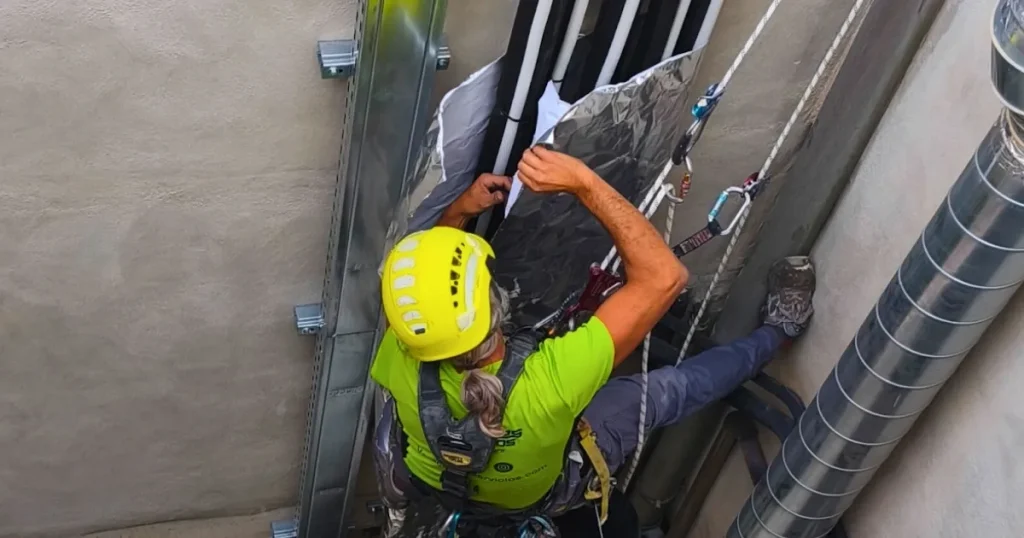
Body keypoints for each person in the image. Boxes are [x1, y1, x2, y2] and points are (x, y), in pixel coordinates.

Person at [370, 146, 815, 535]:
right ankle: (780, 331)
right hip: (556, 484)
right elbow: (664, 277)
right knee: (667, 390)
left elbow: (425, 300)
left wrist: (461, 211)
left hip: (451, 485)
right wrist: (582, 182)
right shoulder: (556, 379)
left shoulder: (402, 351)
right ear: (495, 305)